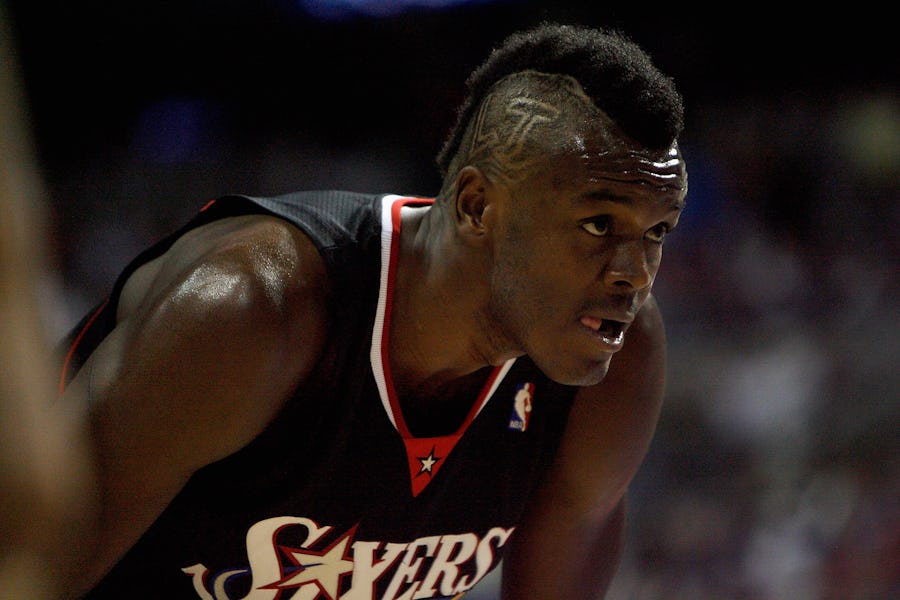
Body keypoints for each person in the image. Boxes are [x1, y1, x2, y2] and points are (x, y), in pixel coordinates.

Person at [58, 22, 687, 599]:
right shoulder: (252, 311)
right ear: (476, 206)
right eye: (598, 223)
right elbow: (28, 560)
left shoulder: (618, 355)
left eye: (657, 231)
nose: (634, 273)